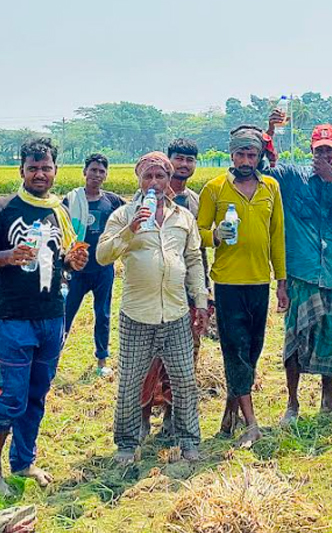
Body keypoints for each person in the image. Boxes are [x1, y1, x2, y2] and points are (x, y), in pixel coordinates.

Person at [0, 138, 89, 495]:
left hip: (52, 315)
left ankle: (23, 462)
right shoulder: (1, 209)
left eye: (46, 168)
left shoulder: (60, 211)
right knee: (10, 397)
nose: (40, 174)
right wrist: (7, 256)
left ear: (55, 171)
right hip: (13, 318)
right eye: (33, 168)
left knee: (37, 393)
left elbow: (66, 255)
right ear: (21, 170)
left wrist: (74, 261)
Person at [98, 152, 210, 464]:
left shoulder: (183, 217)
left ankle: (188, 441)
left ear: (168, 180)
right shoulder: (123, 215)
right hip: (137, 315)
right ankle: (126, 443)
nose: (155, 182)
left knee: (184, 379)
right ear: (139, 179)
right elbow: (102, 255)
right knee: (131, 382)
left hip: (175, 313)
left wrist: (200, 301)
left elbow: (193, 261)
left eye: (160, 176)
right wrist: (130, 230)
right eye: (148, 176)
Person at [264, 114, 332, 425]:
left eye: (329, 151)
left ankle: (327, 398)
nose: (324, 156)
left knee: (327, 338)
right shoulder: (292, 177)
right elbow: (262, 169)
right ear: (311, 150)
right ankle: (292, 404)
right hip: (302, 274)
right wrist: (269, 133)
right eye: (319, 151)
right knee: (296, 337)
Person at [198, 125, 287, 447]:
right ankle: (251, 424)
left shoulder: (271, 188)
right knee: (234, 350)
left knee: (252, 350)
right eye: (241, 154)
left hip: (259, 281)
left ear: (259, 156)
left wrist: (282, 282)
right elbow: (198, 232)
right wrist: (216, 236)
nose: (246, 159)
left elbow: (277, 235)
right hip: (228, 282)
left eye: (252, 154)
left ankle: (229, 414)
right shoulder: (214, 188)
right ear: (231, 155)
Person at [139, 138, 210, 439]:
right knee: (145, 358)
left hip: (185, 294)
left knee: (183, 359)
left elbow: (197, 252)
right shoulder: (142, 202)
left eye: (189, 160)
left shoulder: (194, 202)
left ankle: (171, 415)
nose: (184, 165)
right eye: (178, 159)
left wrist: (203, 295)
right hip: (150, 295)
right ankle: (141, 417)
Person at [62, 153, 125, 377]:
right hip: (76, 269)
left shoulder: (114, 201)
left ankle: (102, 360)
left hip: (103, 268)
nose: (96, 174)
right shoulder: (71, 200)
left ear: (106, 175)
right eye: (93, 170)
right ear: (84, 172)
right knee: (66, 313)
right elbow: (60, 231)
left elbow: (128, 221)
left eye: (101, 171)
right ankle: (52, 356)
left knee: (103, 314)